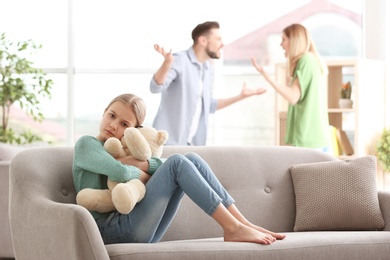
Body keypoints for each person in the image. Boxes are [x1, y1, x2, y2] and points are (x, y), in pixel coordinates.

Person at [72, 93, 285, 245]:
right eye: (111, 115)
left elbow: (154, 164)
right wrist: (143, 172)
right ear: (104, 113)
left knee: (191, 158)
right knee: (177, 163)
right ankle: (232, 228)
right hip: (108, 230)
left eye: (124, 124)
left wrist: (144, 165)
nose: (114, 125)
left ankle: (242, 222)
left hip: (138, 228)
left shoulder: (125, 153)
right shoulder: (87, 144)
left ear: (134, 132)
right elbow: (119, 172)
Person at [150, 21, 266, 146]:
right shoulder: (180, 60)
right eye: (218, 39)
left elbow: (208, 105)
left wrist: (241, 96)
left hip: (190, 145)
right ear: (203, 41)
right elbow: (155, 87)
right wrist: (167, 64)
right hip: (166, 143)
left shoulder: (208, 68)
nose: (222, 44)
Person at [251, 23, 331, 152]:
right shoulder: (311, 60)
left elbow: (293, 97)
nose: (281, 44)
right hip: (313, 139)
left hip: (309, 140)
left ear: (294, 41)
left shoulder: (306, 61)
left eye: (284, 39)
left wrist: (267, 76)